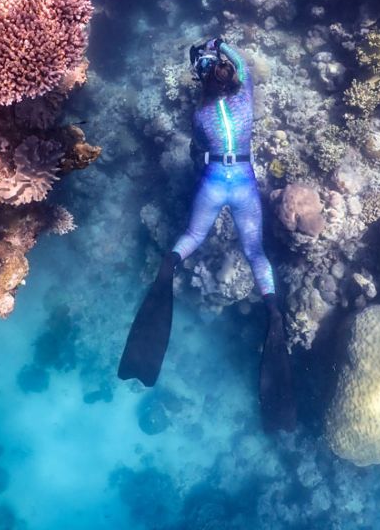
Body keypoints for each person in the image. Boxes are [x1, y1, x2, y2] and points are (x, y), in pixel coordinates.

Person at [118, 37, 296, 432]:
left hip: (215, 181)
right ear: (231, 76)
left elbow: (197, 148)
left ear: (203, 81)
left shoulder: (200, 114)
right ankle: (272, 309)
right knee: (255, 253)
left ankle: (169, 266)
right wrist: (218, 44)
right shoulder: (245, 95)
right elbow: (241, 62)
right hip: (244, 182)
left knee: (193, 236)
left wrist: (201, 67)